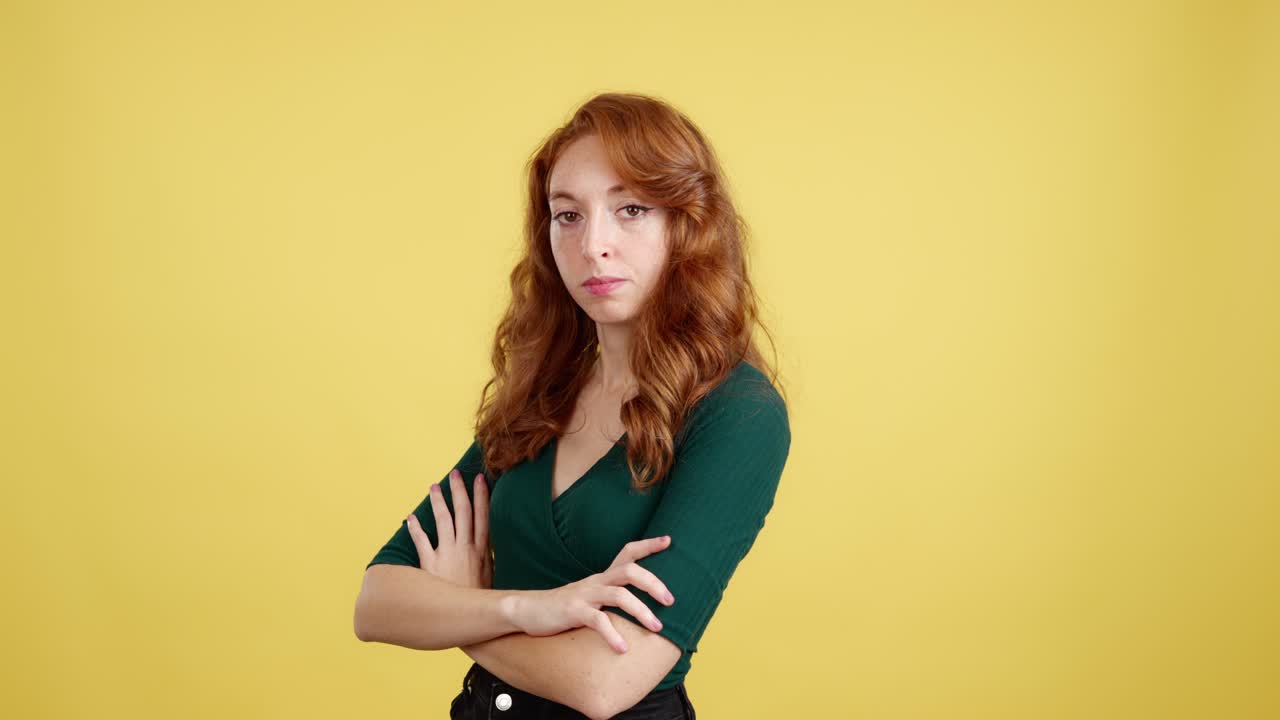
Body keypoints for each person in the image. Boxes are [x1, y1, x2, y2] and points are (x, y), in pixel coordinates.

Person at [354, 92, 791, 720]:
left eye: (631, 209)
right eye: (568, 215)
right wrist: (520, 608)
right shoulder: (544, 392)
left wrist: (464, 607)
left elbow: (604, 684)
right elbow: (376, 603)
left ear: (687, 225)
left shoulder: (737, 413)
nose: (594, 246)